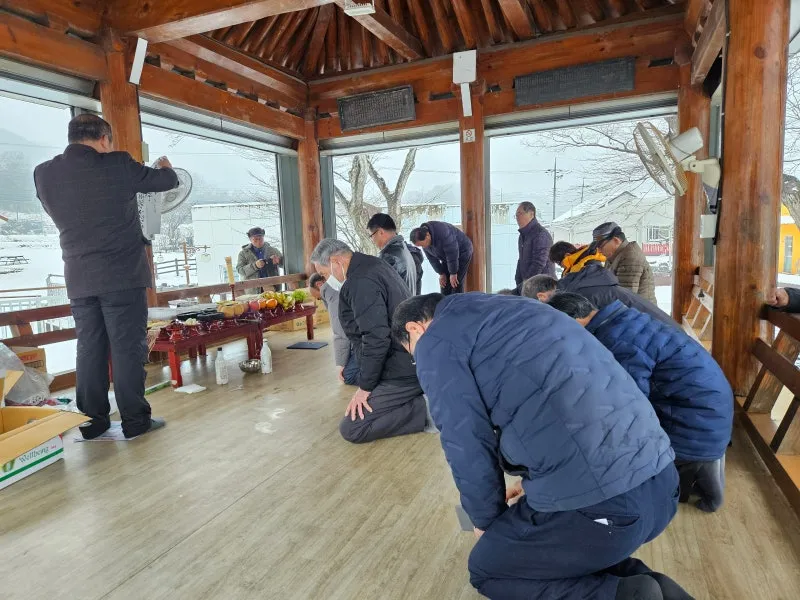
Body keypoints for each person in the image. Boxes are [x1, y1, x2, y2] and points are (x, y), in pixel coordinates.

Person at [392, 293, 689, 600]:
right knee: (553, 553)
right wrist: (533, 480)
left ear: (414, 328)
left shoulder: (436, 341)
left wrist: (486, 523)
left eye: (412, 353)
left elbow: (466, 444)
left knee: (490, 568)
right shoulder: (521, 307)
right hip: (662, 481)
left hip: (609, 505)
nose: (418, 360)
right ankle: (648, 588)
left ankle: (627, 596)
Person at [33, 114, 178, 439]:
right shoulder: (118, 164)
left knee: (89, 348)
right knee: (127, 349)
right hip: (123, 276)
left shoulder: (43, 173)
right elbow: (165, 182)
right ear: (103, 139)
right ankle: (135, 422)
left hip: (79, 278)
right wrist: (166, 167)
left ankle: (92, 422)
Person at [548, 292, 733, 513]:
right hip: (711, 414)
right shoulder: (624, 321)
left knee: (601, 439)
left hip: (696, 427)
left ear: (573, 321)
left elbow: (626, 405)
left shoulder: (616, 339)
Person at [310, 238, 431, 443]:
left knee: (353, 428)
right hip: (410, 358)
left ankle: (428, 410)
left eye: (324, 274)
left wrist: (365, 388)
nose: (326, 280)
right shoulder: (373, 264)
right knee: (356, 380)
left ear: (335, 261)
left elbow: (376, 338)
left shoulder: (360, 281)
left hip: (400, 369)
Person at [544, 242, 676, 326]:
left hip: (639, 317)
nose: (561, 267)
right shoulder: (586, 265)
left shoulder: (585, 269)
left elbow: (628, 291)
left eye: (559, 263)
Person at [309, 272, 359, 385]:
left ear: (319, 285)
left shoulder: (331, 293)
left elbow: (340, 333)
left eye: (319, 298)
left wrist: (341, 364)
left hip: (366, 341)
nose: (321, 300)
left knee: (348, 376)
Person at [593, 222, 657, 304]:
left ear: (616, 240)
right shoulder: (613, 255)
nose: (599, 250)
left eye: (601, 246)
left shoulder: (630, 257)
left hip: (639, 310)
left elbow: (624, 297)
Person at [410, 221, 473, 295]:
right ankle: (444, 301)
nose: (423, 247)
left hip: (462, 252)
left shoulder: (443, 231)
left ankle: (457, 301)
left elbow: (452, 252)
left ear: (427, 235)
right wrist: (441, 273)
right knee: (444, 283)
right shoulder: (424, 242)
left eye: (422, 245)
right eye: (420, 246)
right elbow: (432, 260)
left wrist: (453, 273)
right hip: (446, 257)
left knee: (455, 282)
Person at [366, 213, 418, 295]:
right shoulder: (404, 249)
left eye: (371, 236)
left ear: (380, 232)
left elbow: (379, 292)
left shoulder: (389, 256)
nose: (372, 240)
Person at [514, 202, 555, 291]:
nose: (517, 217)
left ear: (531, 214)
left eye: (520, 213)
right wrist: (518, 281)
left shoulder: (540, 234)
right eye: (516, 215)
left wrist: (526, 285)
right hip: (528, 286)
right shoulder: (522, 236)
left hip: (543, 287)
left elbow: (539, 263)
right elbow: (521, 260)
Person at [236, 227, 283, 294]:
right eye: (255, 239)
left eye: (260, 239)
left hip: (272, 287)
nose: (258, 241)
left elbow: (284, 264)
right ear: (250, 239)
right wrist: (255, 266)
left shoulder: (273, 250)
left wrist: (279, 261)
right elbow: (240, 270)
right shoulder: (243, 254)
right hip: (253, 290)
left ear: (263, 237)